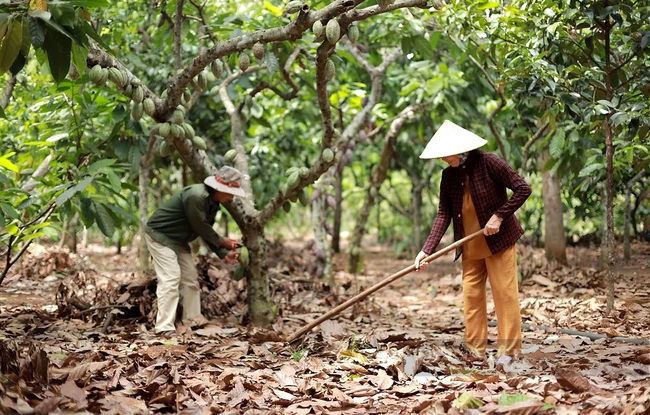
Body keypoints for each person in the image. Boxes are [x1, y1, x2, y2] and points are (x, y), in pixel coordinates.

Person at [414, 120, 531, 363]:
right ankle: (476, 351)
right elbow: (443, 214)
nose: (444, 159)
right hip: (470, 246)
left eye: (446, 154)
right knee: (472, 297)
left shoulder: (489, 163)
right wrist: (426, 250)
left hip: (498, 242)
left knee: (504, 295)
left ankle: (508, 352)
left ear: (461, 150)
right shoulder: (448, 176)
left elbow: (523, 188)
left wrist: (499, 216)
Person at [145, 166, 245, 336]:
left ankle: (192, 320)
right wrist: (223, 242)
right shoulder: (197, 196)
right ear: (220, 188)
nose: (232, 196)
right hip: (161, 235)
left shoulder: (213, 203)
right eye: (230, 192)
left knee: (190, 278)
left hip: (179, 239)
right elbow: (200, 226)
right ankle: (164, 328)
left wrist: (223, 253)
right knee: (170, 278)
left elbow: (203, 230)